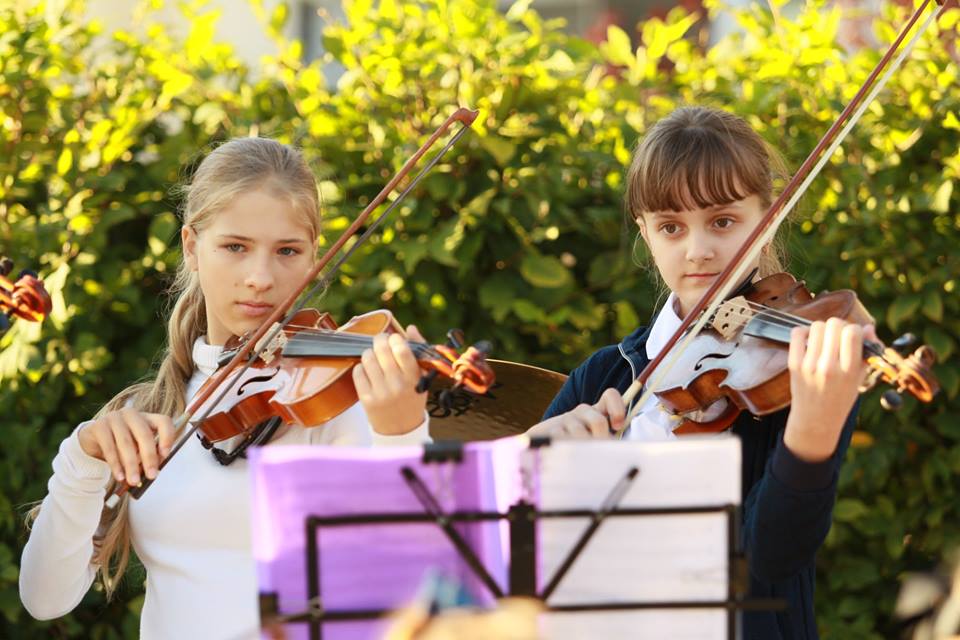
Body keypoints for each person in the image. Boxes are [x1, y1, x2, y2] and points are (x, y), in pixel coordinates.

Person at [20, 138, 432, 639]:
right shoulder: (146, 417)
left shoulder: (342, 404)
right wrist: (81, 459)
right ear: (191, 247)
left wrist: (403, 435)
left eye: (287, 251)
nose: (260, 278)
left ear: (313, 257)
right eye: (235, 247)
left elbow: (417, 591)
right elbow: (45, 598)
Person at [529, 106, 874, 639]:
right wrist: (532, 457)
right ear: (646, 234)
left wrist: (810, 435)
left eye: (723, 221)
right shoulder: (603, 376)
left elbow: (774, 560)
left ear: (768, 220)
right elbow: (515, 558)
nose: (698, 251)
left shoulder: (800, 371)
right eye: (671, 227)